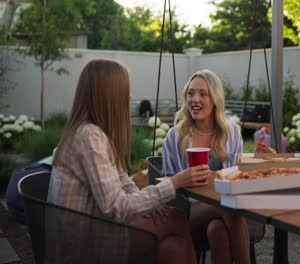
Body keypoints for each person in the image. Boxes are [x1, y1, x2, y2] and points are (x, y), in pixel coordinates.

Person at [48, 59, 200, 264]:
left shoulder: (93, 132)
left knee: (173, 244)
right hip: (84, 247)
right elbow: (117, 208)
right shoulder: (89, 136)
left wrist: (148, 203)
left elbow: (122, 179)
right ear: (108, 95)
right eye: (125, 90)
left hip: (93, 230)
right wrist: (174, 183)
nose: (129, 96)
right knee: (177, 220)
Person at [162, 69, 250, 264]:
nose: (195, 99)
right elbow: (167, 186)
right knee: (228, 205)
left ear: (215, 99)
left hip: (220, 211)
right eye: (191, 93)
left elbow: (238, 176)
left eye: (203, 94)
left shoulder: (232, 132)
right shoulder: (175, 136)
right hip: (185, 213)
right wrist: (183, 179)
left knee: (217, 230)